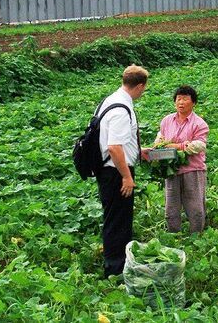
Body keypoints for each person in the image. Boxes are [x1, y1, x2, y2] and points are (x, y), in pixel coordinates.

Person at [95, 64, 149, 277]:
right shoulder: (120, 109)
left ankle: (120, 263)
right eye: (144, 89)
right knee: (117, 221)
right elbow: (114, 146)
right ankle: (115, 270)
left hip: (111, 168)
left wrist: (138, 150)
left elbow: (115, 142)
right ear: (140, 86)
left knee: (118, 218)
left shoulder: (110, 100)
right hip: (115, 172)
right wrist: (126, 176)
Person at [153, 85, 209, 233]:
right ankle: (173, 236)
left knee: (195, 207)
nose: (181, 102)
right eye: (178, 99)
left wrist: (177, 147)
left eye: (185, 99)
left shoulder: (199, 123)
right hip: (172, 169)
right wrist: (159, 144)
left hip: (193, 169)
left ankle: (197, 236)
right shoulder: (167, 120)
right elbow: (160, 137)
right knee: (171, 207)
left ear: (193, 103)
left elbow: (199, 145)